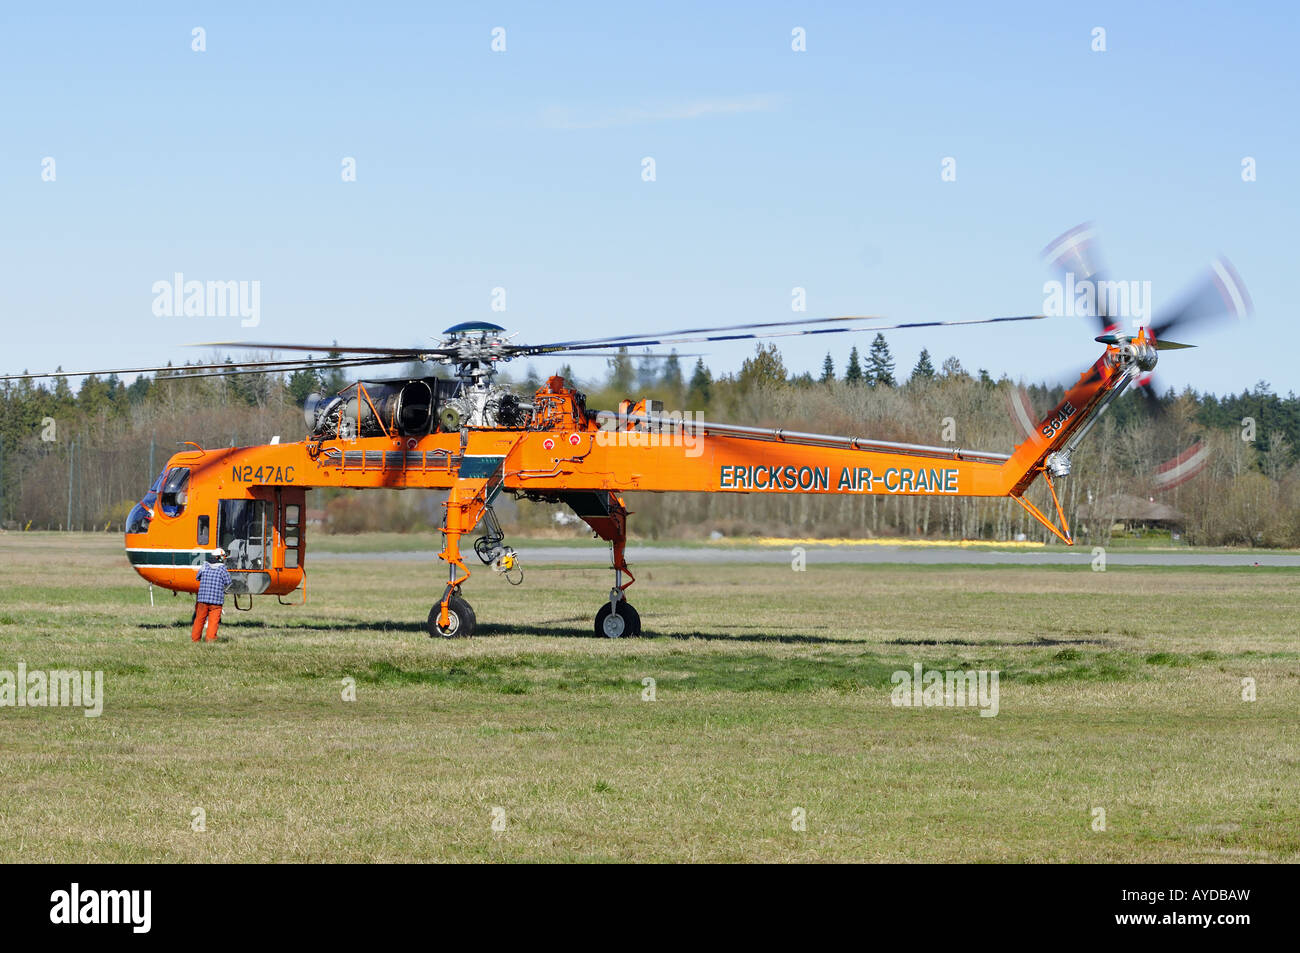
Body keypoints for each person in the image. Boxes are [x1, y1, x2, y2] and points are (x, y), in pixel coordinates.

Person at [192, 549, 233, 643]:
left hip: (202, 599)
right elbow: (228, 582)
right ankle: (210, 639)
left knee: (199, 619)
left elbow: (198, 577)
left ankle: (195, 639)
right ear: (218, 558)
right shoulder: (222, 568)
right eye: (223, 557)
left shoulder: (204, 566)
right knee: (213, 621)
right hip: (216, 601)